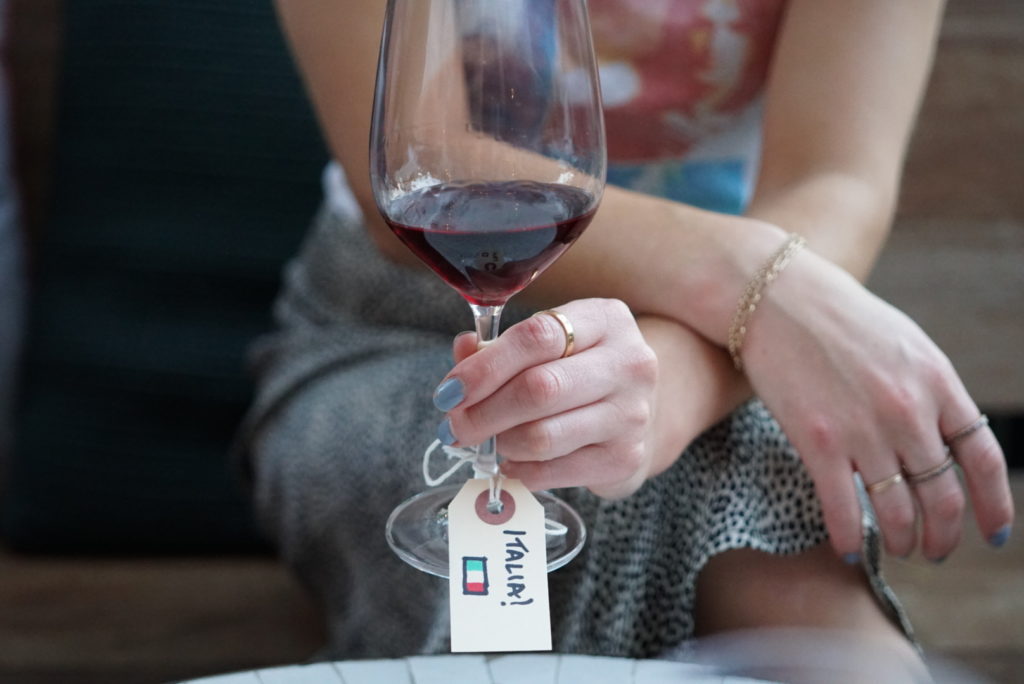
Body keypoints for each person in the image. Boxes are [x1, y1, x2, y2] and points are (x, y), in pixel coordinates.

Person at [237, 0, 1014, 671]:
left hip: (733, 341)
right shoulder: (757, 282)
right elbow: (418, 172)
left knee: (767, 510)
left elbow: (835, 178)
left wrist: (682, 377)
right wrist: (757, 280)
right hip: (401, 329)